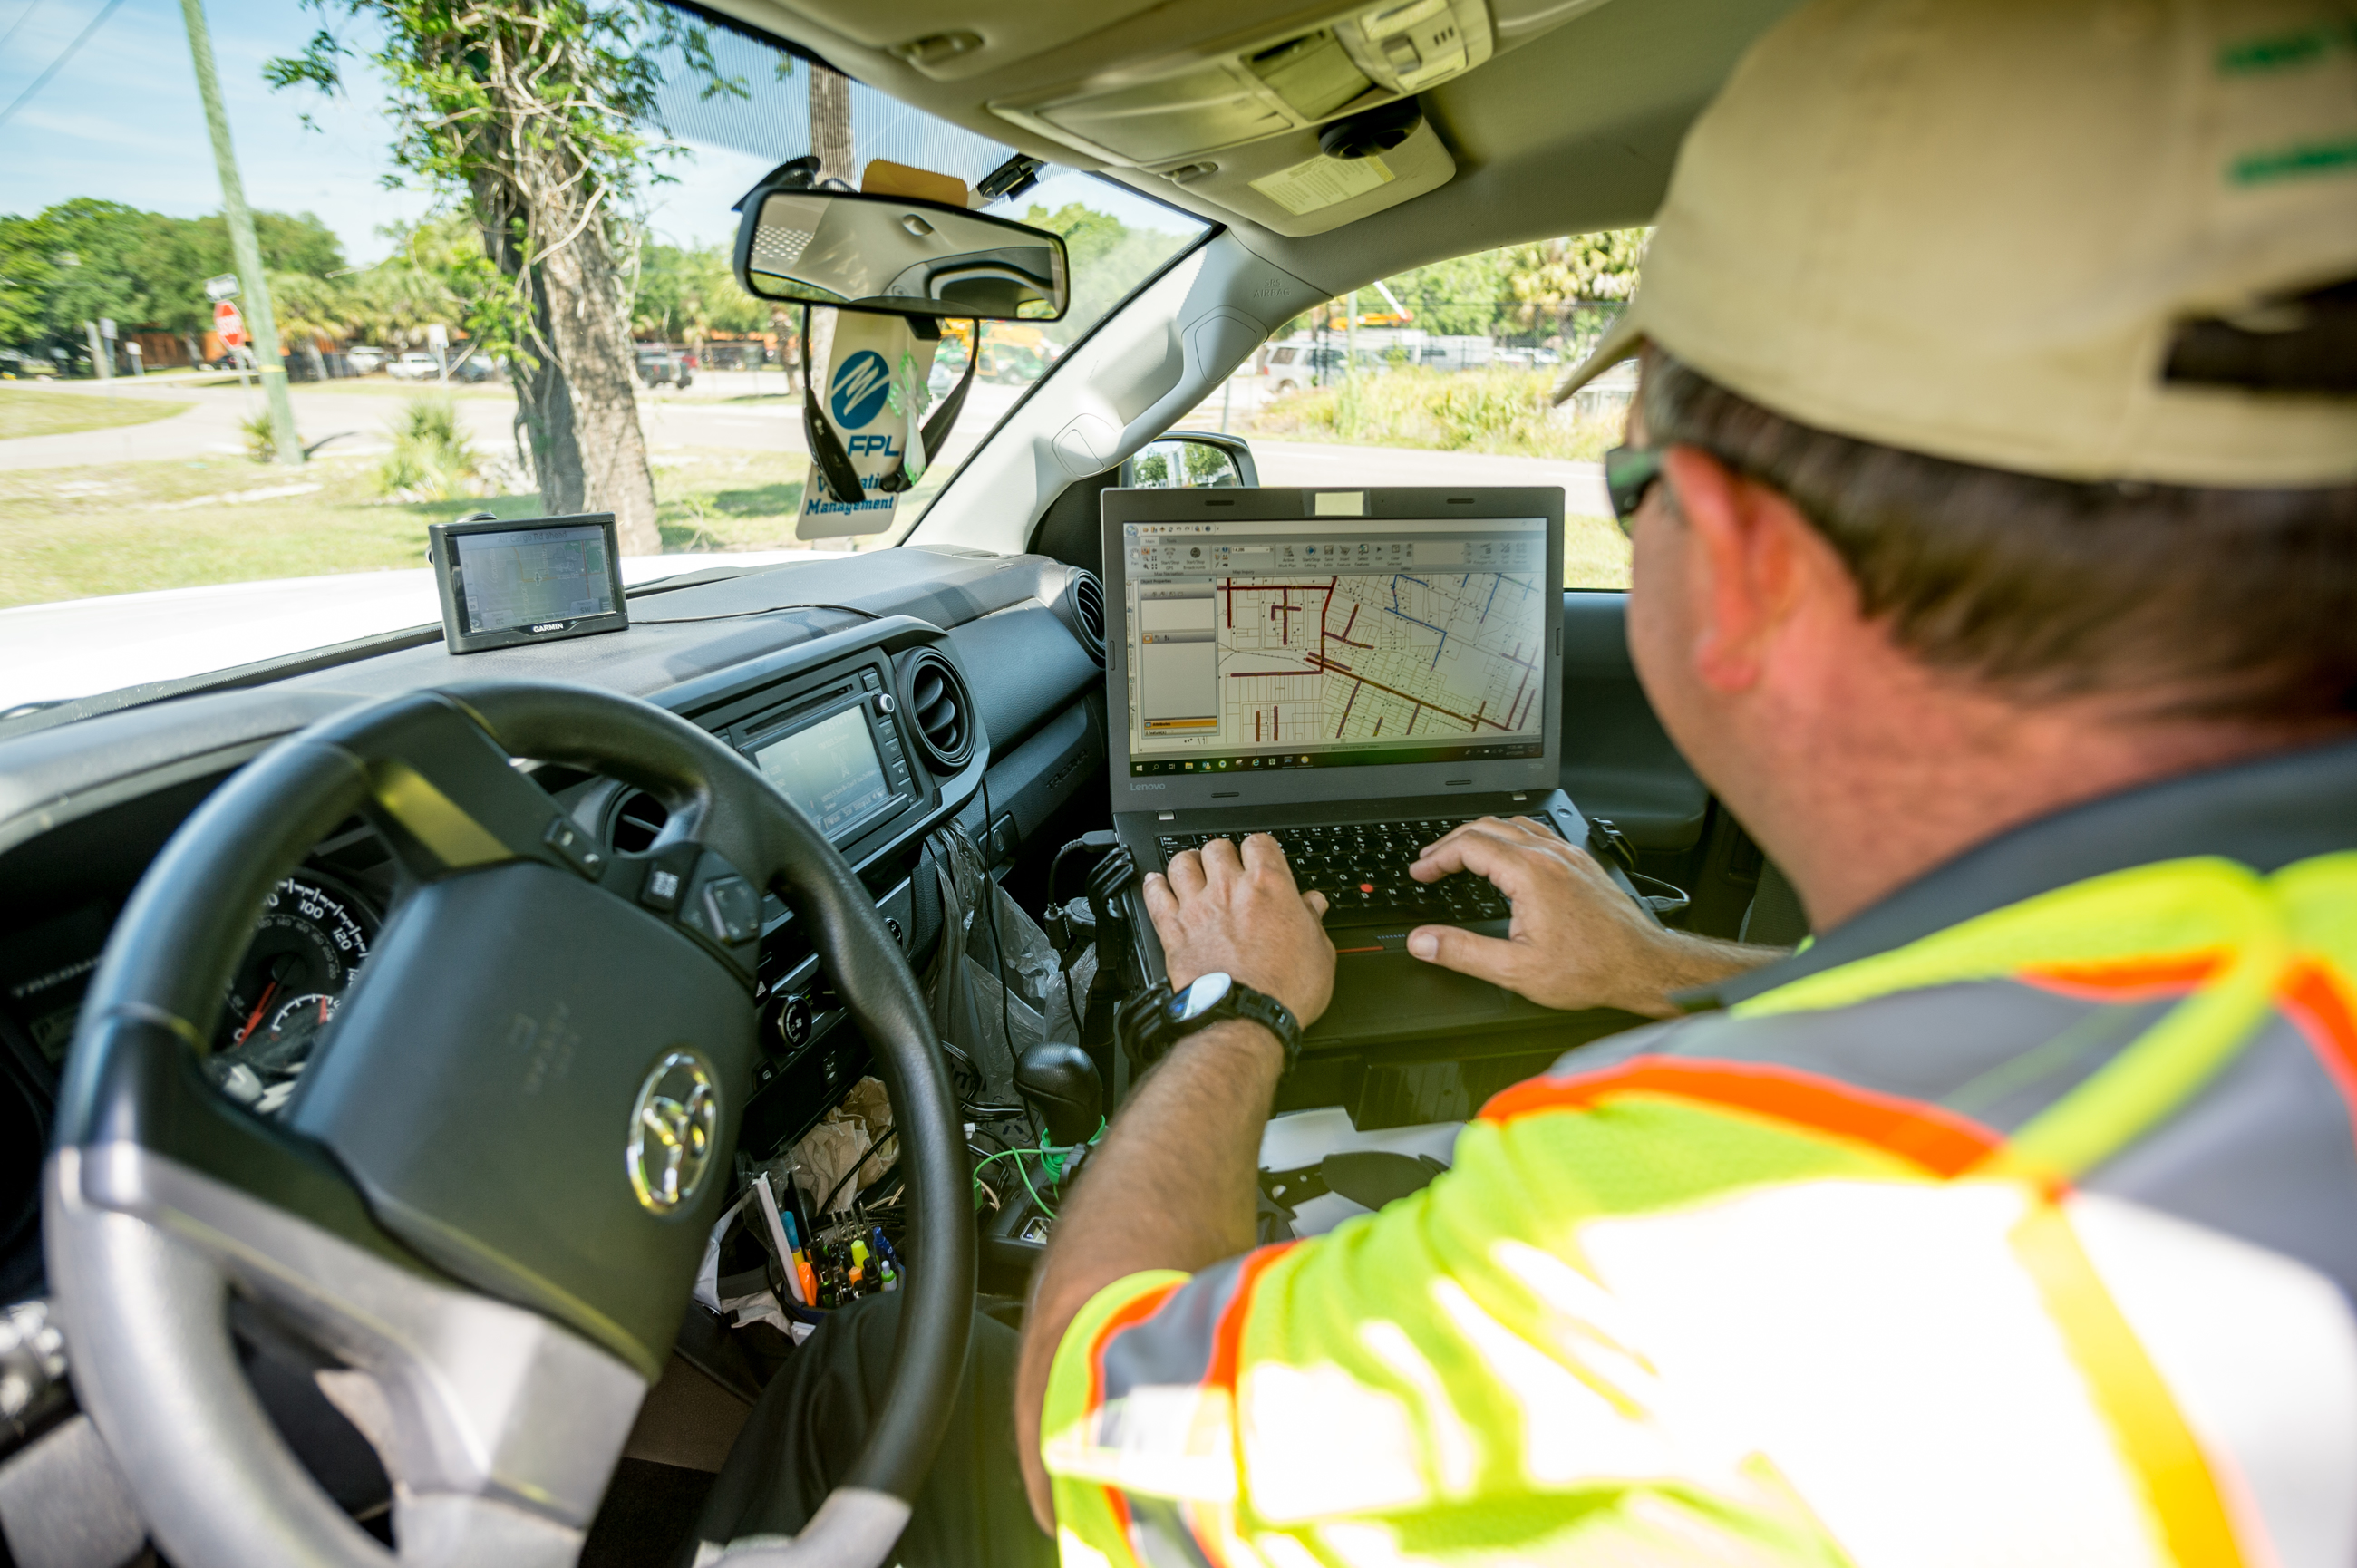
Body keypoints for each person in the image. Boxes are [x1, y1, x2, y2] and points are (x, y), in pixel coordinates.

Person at [691, 1, 2357, 1563]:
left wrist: (1234, 1012)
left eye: (1643, 487)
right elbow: (2035, 1012)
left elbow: (1093, 1423)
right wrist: (1665, 968)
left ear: (1752, 563)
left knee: (872, 1366)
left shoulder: (1684, 1234)